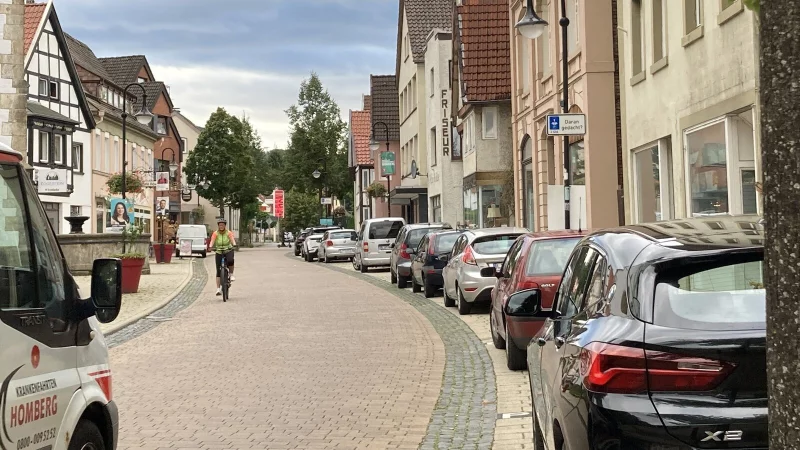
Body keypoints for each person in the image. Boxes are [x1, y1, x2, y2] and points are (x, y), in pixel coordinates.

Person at [208, 218, 236, 296]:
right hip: (219, 251)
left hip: (228, 250)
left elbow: (232, 239)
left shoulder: (228, 233)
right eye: (220, 225)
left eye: (222, 225)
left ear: (225, 226)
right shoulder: (215, 233)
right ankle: (218, 289)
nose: (221, 226)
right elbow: (212, 241)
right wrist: (210, 246)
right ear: (218, 226)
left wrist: (234, 244)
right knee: (218, 270)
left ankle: (231, 274)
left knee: (230, 260)